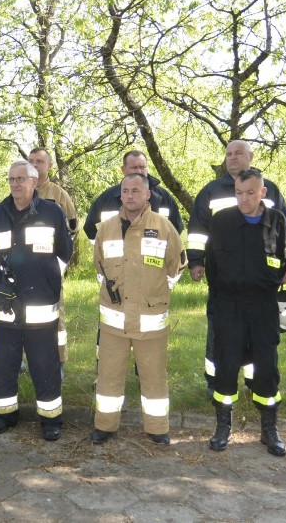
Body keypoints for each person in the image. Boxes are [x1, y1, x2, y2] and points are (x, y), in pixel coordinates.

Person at [188, 140, 286, 396]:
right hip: (225, 280)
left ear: (251, 156)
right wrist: (196, 261)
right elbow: (197, 231)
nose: (232, 157)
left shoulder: (270, 189)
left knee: (261, 339)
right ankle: (216, 383)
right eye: (228, 154)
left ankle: (255, 383)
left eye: (238, 153)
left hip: (262, 281)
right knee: (220, 332)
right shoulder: (211, 191)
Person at [91, 173, 185, 445]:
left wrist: (153, 292)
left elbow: (175, 268)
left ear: (147, 195)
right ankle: (105, 426)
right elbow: (99, 266)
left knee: (154, 377)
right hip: (114, 321)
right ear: (120, 195)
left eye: (136, 191)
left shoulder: (164, 227)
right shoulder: (106, 228)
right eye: (125, 191)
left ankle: (158, 429)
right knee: (108, 376)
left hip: (150, 320)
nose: (130, 195)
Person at [0, 161, 73, 441]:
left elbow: (64, 254)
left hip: (40, 304)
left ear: (35, 181)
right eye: (11, 179)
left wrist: (46, 282)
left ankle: (50, 419)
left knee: (44, 362)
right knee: (6, 361)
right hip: (6, 304)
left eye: (21, 178)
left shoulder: (51, 213)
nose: (15, 184)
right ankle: (5, 414)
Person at [204, 169, 286, 456]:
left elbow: (284, 259)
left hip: (264, 306)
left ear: (263, 192)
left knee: (267, 368)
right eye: (239, 193)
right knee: (226, 367)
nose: (244, 199)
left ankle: (269, 430)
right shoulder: (222, 221)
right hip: (229, 305)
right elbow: (211, 267)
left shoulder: (277, 221)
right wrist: (218, 304)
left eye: (250, 193)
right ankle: (223, 428)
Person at [28, 147, 76, 366]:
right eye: (31, 161)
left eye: (40, 161)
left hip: (49, 270)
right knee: (23, 315)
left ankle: (59, 360)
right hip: (24, 269)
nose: (35, 165)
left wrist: (57, 266)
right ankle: (23, 361)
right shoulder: (20, 190)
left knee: (55, 315)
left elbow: (72, 229)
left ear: (49, 166)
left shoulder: (58, 195)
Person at [83, 150, 184, 242]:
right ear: (123, 169)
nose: (139, 171)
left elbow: (176, 229)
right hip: (118, 261)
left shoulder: (163, 197)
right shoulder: (107, 198)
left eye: (142, 167)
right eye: (135, 167)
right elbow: (90, 229)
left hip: (154, 260)